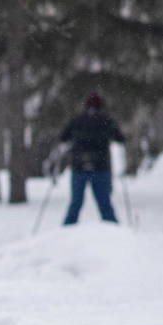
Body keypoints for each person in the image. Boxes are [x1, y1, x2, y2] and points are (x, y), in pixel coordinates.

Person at [59, 92, 124, 225]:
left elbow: (64, 137)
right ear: (101, 106)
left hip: (79, 166)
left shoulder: (77, 120)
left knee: (75, 204)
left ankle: (65, 233)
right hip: (100, 167)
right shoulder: (106, 121)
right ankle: (115, 233)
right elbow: (120, 138)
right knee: (105, 204)